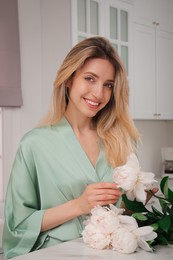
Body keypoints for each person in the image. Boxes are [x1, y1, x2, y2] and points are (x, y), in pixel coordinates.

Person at [3, 36, 140, 258]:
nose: (99, 93)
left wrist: (144, 202)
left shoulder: (120, 142)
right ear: (69, 80)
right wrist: (79, 205)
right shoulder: (35, 144)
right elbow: (17, 226)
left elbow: (129, 215)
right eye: (89, 79)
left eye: (108, 85)